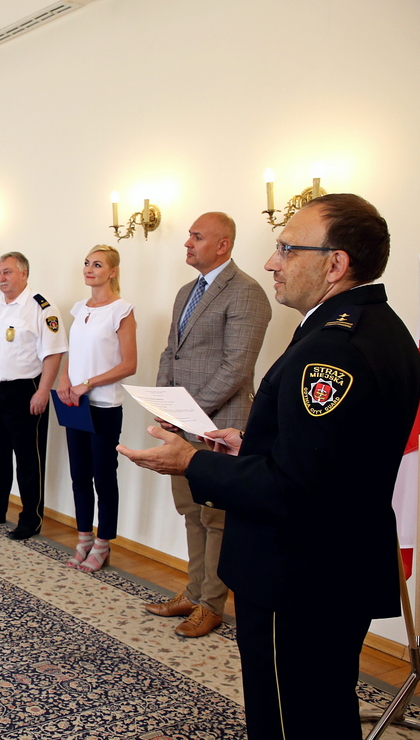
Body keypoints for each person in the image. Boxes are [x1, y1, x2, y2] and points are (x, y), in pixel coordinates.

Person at [119, 194, 420, 740]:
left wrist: (194, 461)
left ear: (334, 264)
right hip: (338, 563)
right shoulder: (379, 329)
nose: (274, 260)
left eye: (287, 247)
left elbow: (296, 489)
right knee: (326, 722)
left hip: (298, 573)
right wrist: (242, 445)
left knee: (290, 736)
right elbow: (322, 458)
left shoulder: (331, 348)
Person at [145, 212, 271, 638]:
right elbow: (170, 353)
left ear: (223, 244)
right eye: (188, 236)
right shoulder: (186, 292)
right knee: (191, 512)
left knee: (216, 520)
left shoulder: (247, 293)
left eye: (197, 237)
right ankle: (195, 591)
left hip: (221, 426)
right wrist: (164, 403)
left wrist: (188, 411)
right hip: (182, 423)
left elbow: (238, 367)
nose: (187, 243)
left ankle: (212, 605)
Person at [0, 251, 67, 540]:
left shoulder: (41, 308)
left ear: (24, 273)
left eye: (7, 272)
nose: (1, 278)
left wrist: (44, 391)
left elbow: (54, 353)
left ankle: (30, 518)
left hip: (24, 392)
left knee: (28, 458)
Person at [56, 245, 137, 572]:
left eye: (98, 264)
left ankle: (103, 543)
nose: (90, 269)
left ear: (113, 271)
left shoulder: (122, 310)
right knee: (79, 475)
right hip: (75, 402)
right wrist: (64, 377)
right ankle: (84, 538)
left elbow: (129, 364)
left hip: (103, 405)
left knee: (103, 476)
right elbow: (72, 352)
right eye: (87, 263)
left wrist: (87, 382)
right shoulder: (79, 308)